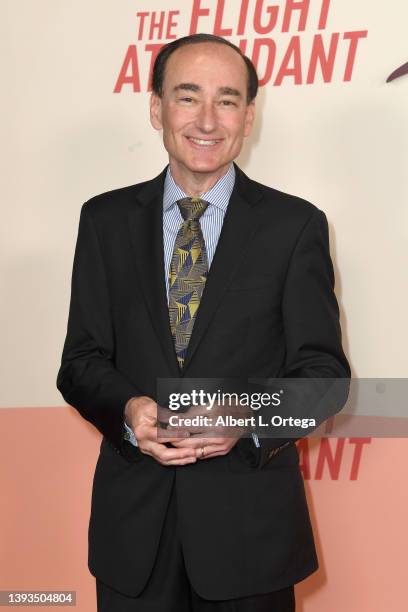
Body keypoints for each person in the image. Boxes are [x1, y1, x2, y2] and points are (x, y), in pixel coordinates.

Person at [57, 33, 350, 612]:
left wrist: (242, 417)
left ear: (248, 117)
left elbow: (323, 377)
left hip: (249, 534)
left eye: (228, 100)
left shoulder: (294, 227)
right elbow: (81, 362)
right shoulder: (105, 221)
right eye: (188, 97)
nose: (207, 120)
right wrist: (128, 411)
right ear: (155, 106)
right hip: (132, 535)